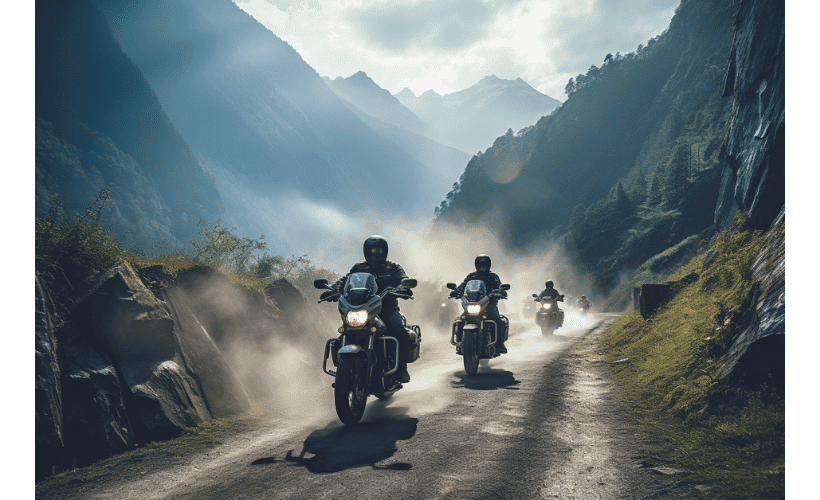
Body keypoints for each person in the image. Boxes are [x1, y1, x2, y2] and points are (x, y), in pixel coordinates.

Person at [322, 235, 414, 383]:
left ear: (385, 251)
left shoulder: (393, 267)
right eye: (371, 250)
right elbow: (345, 280)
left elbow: (403, 278)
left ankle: (402, 368)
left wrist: (404, 287)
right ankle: (344, 368)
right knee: (345, 331)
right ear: (365, 251)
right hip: (362, 308)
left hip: (387, 309)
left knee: (398, 329)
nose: (375, 253)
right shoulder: (359, 267)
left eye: (378, 250)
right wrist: (332, 289)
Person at [450, 254, 508, 353]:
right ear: (476, 265)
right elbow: (463, 286)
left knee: (498, 321)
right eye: (480, 265)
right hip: (472, 303)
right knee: (460, 321)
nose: (483, 267)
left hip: (488, 304)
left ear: (489, 265)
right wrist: (456, 291)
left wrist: (500, 291)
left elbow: (498, 286)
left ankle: (499, 344)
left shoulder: (493, 276)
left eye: (485, 265)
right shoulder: (471, 276)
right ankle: (460, 343)